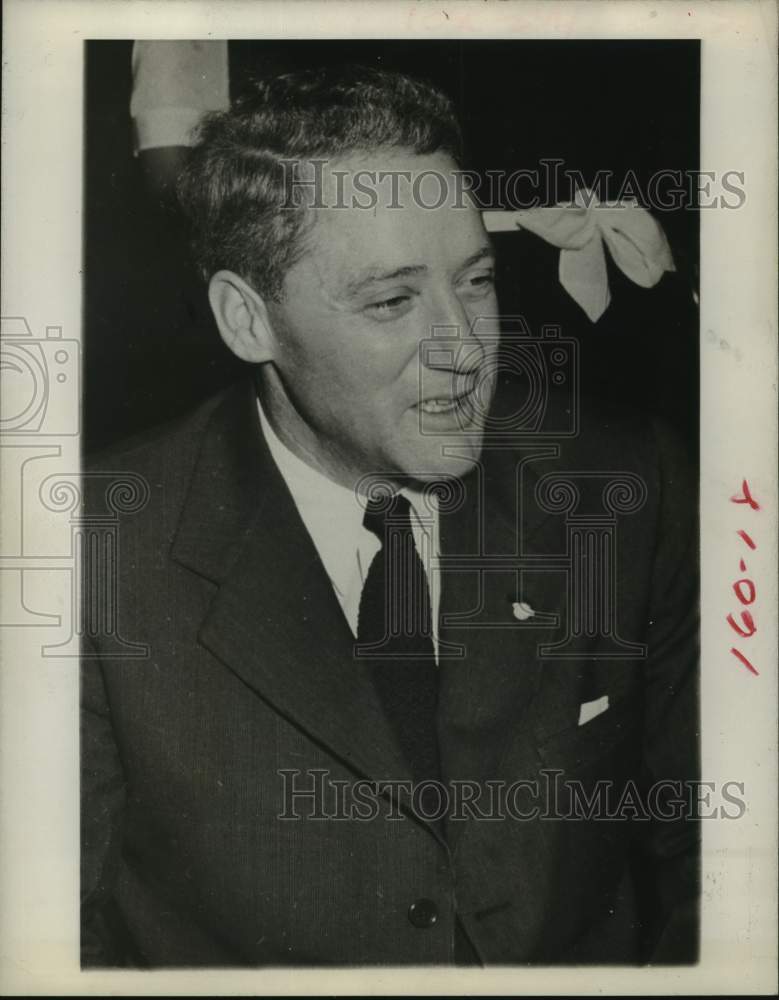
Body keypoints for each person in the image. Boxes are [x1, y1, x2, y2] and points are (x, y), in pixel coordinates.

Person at [81, 66, 699, 967]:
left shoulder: (625, 483)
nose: (465, 349)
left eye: (475, 281)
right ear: (247, 320)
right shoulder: (96, 549)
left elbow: (724, 863)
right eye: (390, 301)